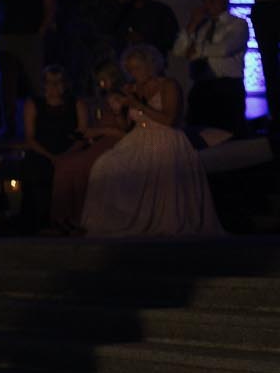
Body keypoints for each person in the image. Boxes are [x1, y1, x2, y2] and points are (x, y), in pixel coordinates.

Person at [80, 45, 223, 237]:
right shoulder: (132, 88)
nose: (133, 73)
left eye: (137, 68)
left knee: (150, 166)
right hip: (138, 137)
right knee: (105, 165)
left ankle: (156, 220)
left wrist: (138, 104)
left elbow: (170, 120)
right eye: (130, 69)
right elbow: (124, 127)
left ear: (151, 65)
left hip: (165, 136)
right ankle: (118, 220)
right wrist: (119, 111)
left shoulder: (168, 85)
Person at [46, 63, 128, 235]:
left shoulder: (121, 97)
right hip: (99, 141)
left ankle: (76, 217)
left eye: (104, 79)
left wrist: (98, 130)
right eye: (99, 80)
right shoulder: (103, 98)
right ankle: (61, 218)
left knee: (77, 166)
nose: (101, 83)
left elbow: (123, 132)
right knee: (64, 164)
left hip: (113, 143)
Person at [16, 65, 85, 232]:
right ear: (43, 84)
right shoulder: (33, 104)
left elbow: (83, 134)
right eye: (49, 82)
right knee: (37, 169)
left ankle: (69, 219)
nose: (54, 86)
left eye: (58, 82)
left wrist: (66, 156)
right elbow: (30, 137)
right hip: (42, 151)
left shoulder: (76, 103)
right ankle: (42, 220)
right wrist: (51, 157)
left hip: (69, 151)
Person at [178, 0, 249, 134]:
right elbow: (179, 50)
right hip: (201, 86)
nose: (208, 4)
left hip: (227, 87)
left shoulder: (238, 24)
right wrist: (192, 24)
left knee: (228, 134)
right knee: (199, 133)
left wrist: (194, 50)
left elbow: (224, 49)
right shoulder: (201, 26)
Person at [112, 0, 179, 56]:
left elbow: (174, 41)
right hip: (124, 65)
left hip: (152, 65)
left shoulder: (161, 11)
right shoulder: (120, 12)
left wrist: (145, 39)